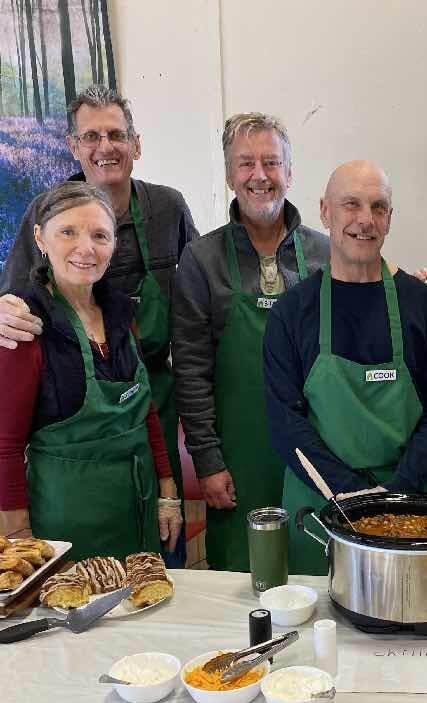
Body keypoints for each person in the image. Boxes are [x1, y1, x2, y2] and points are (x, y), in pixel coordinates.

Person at [0, 85, 197, 566]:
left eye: (117, 134)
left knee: (163, 576)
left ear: (136, 144)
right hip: (70, 456)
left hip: (152, 408)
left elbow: (201, 304)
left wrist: (169, 479)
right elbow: (9, 307)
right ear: (73, 146)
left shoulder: (169, 210)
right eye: (91, 136)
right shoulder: (43, 210)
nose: (105, 147)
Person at [264, 160, 427, 575]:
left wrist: (393, 494)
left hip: (409, 499)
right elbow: (285, 422)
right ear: (324, 211)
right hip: (320, 506)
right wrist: (351, 493)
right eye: (350, 205)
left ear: (390, 218)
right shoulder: (291, 312)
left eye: (378, 207)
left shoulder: (426, 308)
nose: (365, 220)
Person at [172, 113, 329, 571]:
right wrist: (208, 461)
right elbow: (191, 370)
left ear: (289, 173)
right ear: (228, 175)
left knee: (313, 578)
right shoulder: (201, 259)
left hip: (314, 453)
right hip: (236, 459)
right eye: (245, 164)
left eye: (271, 162)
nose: (259, 175)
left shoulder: (325, 255)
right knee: (243, 586)